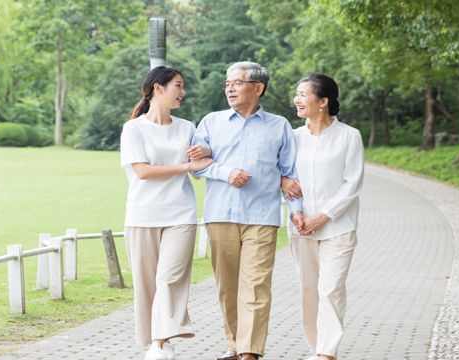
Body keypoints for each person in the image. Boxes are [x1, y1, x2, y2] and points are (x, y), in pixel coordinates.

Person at [189, 61, 303, 360]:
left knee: (255, 285)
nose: (229, 88)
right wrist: (226, 172)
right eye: (228, 83)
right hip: (220, 215)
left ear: (257, 87)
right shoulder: (210, 123)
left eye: (237, 82)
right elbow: (196, 165)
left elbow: (290, 173)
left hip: (261, 217)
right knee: (227, 287)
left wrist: (297, 210)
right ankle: (235, 344)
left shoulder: (279, 126)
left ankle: (250, 351)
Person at [120, 66, 212, 360]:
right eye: (178, 86)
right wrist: (186, 166)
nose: (182, 92)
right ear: (157, 88)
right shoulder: (133, 129)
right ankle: (153, 341)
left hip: (180, 215)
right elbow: (143, 172)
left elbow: (200, 170)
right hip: (142, 215)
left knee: (169, 279)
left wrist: (203, 155)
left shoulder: (187, 128)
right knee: (146, 283)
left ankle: (161, 342)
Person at [287, 74, 364, 360]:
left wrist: (323, 215)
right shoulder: (293, 137)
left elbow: (352, 183)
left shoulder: (349, 136)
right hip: (301, 227)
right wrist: (297, 213)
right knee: (309, 290)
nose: (297, 99)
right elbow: (286, 179)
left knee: (330, 289)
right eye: (296, 93)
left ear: (323, 102)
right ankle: (315, 347)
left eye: (303, 94)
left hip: (338, 227)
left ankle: (326, 353)